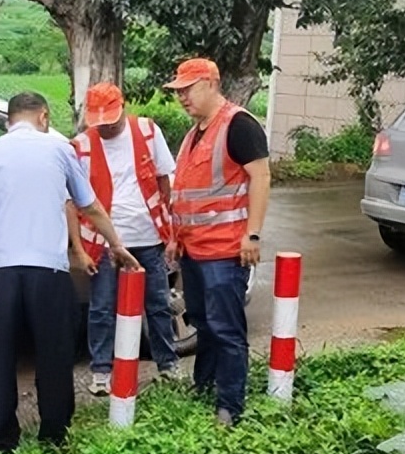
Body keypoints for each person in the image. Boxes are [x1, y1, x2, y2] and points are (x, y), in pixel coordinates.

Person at [0, 92, 138, 452]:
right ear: (43, 116)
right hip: (48, 269)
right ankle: (54, 435)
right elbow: (89, 206)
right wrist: (116, 244)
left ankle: (2, 439)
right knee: (54, 352)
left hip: (1, 270)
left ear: (9, 120)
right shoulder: (59, 150)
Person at [165, 58, 271, 426]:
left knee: (226, 330)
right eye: (178, 91)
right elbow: (186, 191)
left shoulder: (238, 125)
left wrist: (252, 234)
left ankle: (230, 406)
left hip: (225, 252)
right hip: (193, 251)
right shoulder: (195, 132)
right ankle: (205, 384)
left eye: (187, 89)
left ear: (211, 83)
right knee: (203, 323)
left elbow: (261, 178)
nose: (181, 97)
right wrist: (176, 238)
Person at [70, 82, 180, 396]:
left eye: (111, 120)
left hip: (147, 236)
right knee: (102, 307)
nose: (105, 127)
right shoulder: (82, 145)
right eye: (99, 122)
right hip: (103, 242)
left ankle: (167, 365)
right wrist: (79, 248)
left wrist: (170, 232)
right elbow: (71, 201)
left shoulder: (146, 131)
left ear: (124, 107)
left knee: (158, 303)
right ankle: (102, 371)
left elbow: (164, 180)